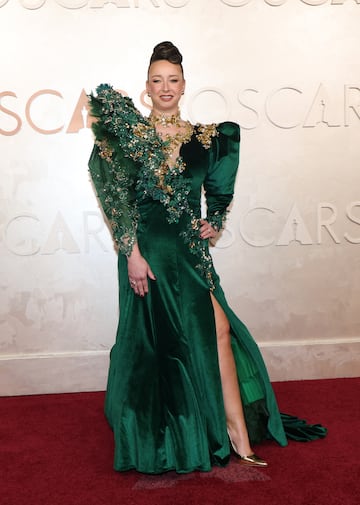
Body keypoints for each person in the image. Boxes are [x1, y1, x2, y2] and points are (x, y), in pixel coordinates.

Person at [88, 41, 326, 474]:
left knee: (217, 331)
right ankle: (169, 436)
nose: (165, 87)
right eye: (157, 80)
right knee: (161, 347)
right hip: (150, 258)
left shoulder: (207, 139)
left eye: (173, 80)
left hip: (191, 255)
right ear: (146, 88)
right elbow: (116, 199)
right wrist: (132, 255)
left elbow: (217, 191)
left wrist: (214, 221)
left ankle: (235, 433)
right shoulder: (128, 137)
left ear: (184, 86)